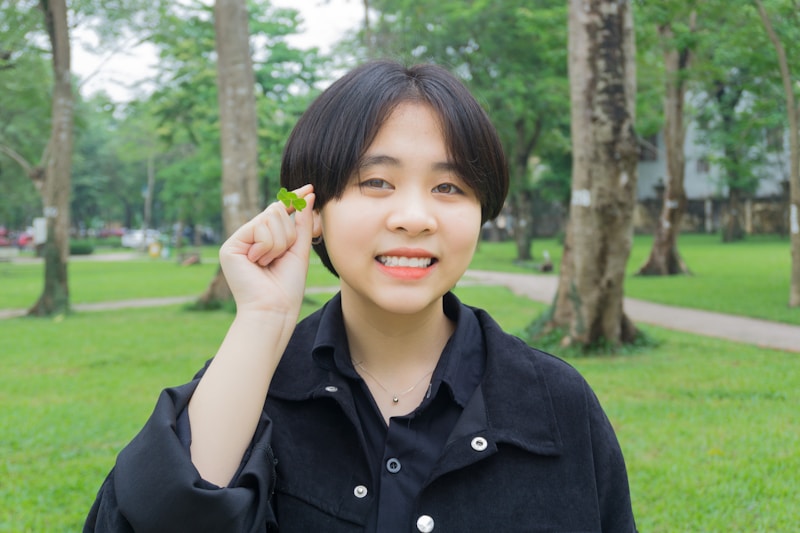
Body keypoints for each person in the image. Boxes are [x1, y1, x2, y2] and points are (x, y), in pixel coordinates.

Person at [84, 60, 636, 533]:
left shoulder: (557, 404)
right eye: (377, 182)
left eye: (449, 187)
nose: (415, 218)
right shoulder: (249, 388)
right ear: (311, 208)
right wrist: (262, 318)